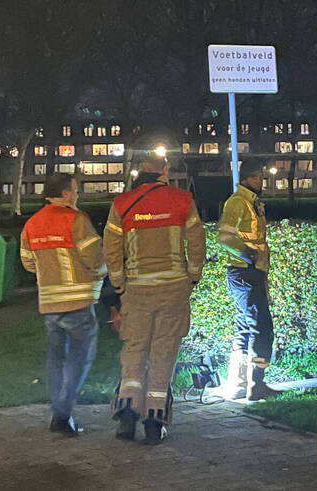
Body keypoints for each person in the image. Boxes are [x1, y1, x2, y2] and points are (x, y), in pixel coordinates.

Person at [104, 156, 205, 445]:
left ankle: (126, 416)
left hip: (136, 291)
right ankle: (153, 422)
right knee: (163, 355)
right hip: (173, 289)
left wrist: (120, 285)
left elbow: (111, 250)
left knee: (134, 352)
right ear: (163, 172)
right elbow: (197, 243)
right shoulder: (183, 200)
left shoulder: (121, 204)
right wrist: (193, 277)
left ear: (140, 172)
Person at [20, 173, 106, 436]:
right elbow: (95, 257)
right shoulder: (76, 220)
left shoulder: (32, 224)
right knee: (79, 359)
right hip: (77, 300)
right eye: (76, 190)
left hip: (49, 303)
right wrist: (103, 274)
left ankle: (59, 411)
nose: (77, 195)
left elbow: (27, 262)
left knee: (56, 358)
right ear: (67, 193)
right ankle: (62, 413)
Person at [217, 161, 280, 401]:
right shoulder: (238, 202)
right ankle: (256, 384)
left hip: (248, 271)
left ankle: (240, 383)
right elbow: (224, 237)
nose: (262, 182)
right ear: (249, 179)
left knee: (245, 328)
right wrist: (250, 255)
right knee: (260, 327)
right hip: (246, 271)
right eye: (259, 178)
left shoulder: (250, 202)